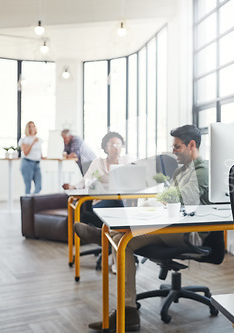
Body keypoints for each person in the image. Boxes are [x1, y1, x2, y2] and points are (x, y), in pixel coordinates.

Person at [85, 124, 210, 332]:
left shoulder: (202, 171)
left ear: (192, 145)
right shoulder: (181, 171)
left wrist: (156, 201)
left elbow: (180, 198)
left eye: (177, 147)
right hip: (171, 226)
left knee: (121, 241)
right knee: (120, 242)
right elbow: (170, 200)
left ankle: (104, 238)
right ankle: (128, 311)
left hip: (188, 233)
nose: (173, 152)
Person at [63, 132, 130, 232]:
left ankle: (103, 235)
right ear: (106, 148)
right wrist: (73, 187)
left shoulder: (126, 161)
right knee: (119, 206)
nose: (116, 148)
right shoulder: (98, 163)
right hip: (102, 200)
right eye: (113, 145)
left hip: (122, 200)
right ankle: (110, 236)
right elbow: (86, 179)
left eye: (119, 145)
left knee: (121, 203)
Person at [19, 121, 43, 195]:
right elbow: (26, 152)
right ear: (27, 128)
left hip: (37, 164)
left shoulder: (39, 139)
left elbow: (39, 152)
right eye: (29, 126)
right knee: (28, 186)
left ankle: (32, 200)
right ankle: (28, 204)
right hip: (27, 164)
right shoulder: (23, 139)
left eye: (33, 126)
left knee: (39, 186)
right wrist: (32, 143)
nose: (31, 128)